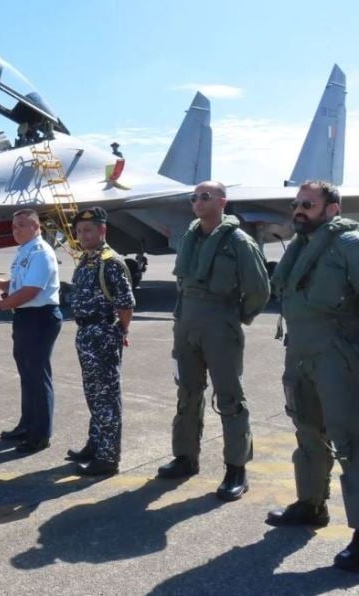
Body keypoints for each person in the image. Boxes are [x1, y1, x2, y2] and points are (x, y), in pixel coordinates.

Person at [266, 180, 359, 572]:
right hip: (300, 355)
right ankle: (311, 504)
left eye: (308, 203)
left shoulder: (349, 245)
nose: (299, 210)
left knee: (352, 443)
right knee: (307, 432)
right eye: (296, 203)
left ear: (332, 209)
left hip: (337, 357)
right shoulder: (302, 247)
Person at [156, 181, 270, 502]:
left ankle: (236, 469)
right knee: (187, 391)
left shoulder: (239, 242)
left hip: (220, 324)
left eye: (204, 197)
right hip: (186, 322)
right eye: (194, 198)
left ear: (222, 201)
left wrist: (235, 318)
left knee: (230, 397)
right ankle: (185, 457)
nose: (197, 202)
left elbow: (260, 290)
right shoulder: (190, 237)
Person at [0, 208, 62, 454]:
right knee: (27, 375)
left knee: (37, 376)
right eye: (15, 226)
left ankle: (40, 435)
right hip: (26, 317)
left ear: (36, 228)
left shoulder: (41, 252)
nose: (17, 230)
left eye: (23, 225)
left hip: (40, 317)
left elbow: (30, 292)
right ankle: (27, 426)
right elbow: (16, 286)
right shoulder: (24, 252)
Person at [65, 207, 135, 476]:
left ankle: (108, 458)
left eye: (88, 230)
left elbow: (126, 304)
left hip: (103, 333)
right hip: (86, 334)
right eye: (79, 231)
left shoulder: (110, 262)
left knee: (107, 397)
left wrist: (121, 331)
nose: (82, 236)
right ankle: (95, 445)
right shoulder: (87, 259)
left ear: (102, 230)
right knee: (93, 394)